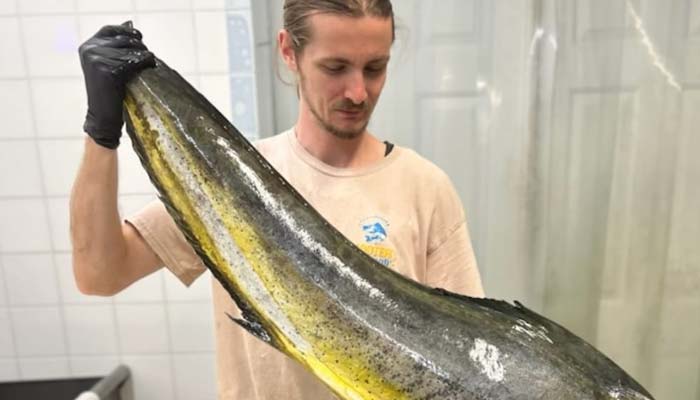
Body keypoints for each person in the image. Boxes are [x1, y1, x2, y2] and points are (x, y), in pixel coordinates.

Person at [71, 1, 484, 399]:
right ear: (289, 51)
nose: (358, 92)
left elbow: (469, 366)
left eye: (375, 68)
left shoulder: (425, 188)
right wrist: (101, 134)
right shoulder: (230, 180)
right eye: (335, 68)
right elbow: (99, 274)